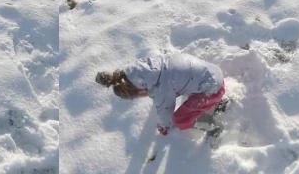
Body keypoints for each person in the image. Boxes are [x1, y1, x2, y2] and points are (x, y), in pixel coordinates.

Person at [96, 53, 225, 135]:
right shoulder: (149, 67)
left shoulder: (161, 88)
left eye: (136, 95)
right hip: (213, 72)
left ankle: (212, 127)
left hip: (213, 89)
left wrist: (164, 127)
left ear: (137, 90)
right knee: (181, 87)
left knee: (179, 119)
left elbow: (165, 111)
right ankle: (212, 103)